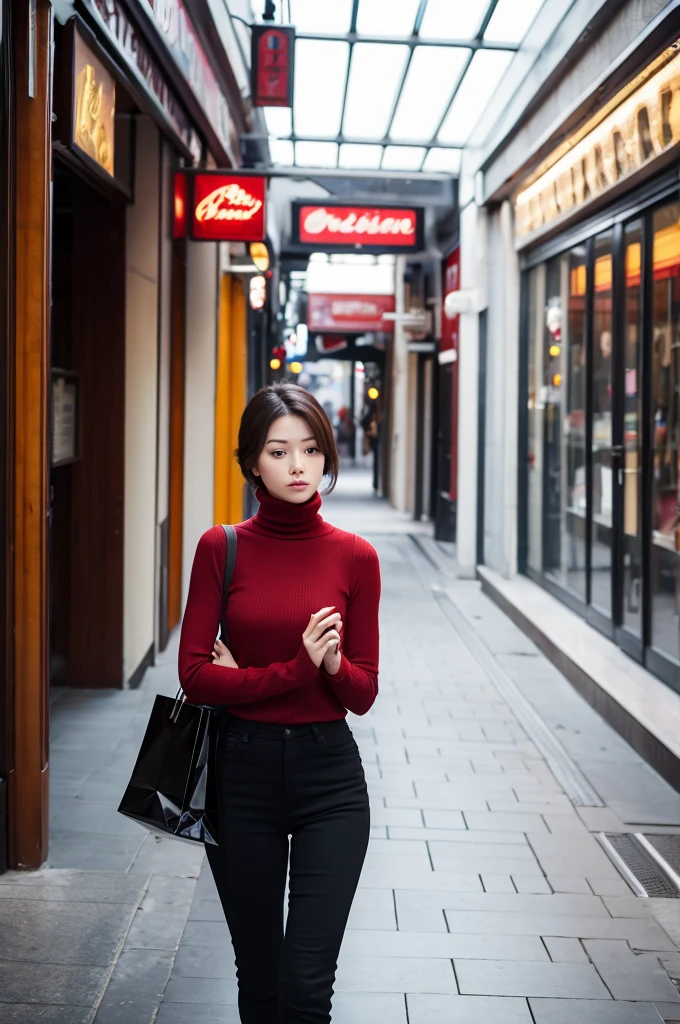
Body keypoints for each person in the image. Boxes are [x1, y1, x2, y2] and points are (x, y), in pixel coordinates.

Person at [178, 382, 381, 1024]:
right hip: (241, 776)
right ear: (252, 464)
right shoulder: (221, 547)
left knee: (306, 987)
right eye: (278, 451)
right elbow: (193, 676)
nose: (298, 466)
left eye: (311, 450)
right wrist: (296, 669)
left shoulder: (356, 556)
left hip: (331, 781)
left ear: (326, 459)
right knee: (260, 982)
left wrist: (329, 666)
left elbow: (364, 692)